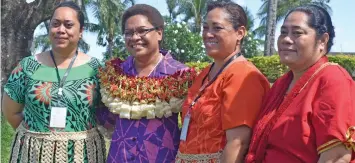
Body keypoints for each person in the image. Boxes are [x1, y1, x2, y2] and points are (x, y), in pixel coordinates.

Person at [246, 4, 355, 163]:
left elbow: (336, 157)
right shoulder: (281, 84)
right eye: (283, 32)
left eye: (297, 33)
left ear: (323, 41)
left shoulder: (333, 80)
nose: (286, 39)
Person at [2, 1, 105, 163]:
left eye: (68, 25)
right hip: (34, 155)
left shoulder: (96, 68)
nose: (61, 30)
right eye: (55, 24)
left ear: (81, 32)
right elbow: (11, 112)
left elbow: (106, 112)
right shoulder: (28, 66)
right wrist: (39, 138)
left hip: (82, 156)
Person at [96, 4, 194, 163]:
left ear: (159, 33)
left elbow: (191, 128)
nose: (134, 38)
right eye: (128, 33)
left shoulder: (181, 75)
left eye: (142, 31)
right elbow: (105, 121)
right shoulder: (114, 74)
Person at [176, 1, 270, 162]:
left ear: (240, 33)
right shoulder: (206, 72)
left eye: (217, 28)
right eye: (205, 27)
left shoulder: (243, 75)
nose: (208, 34)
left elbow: (238, 143)